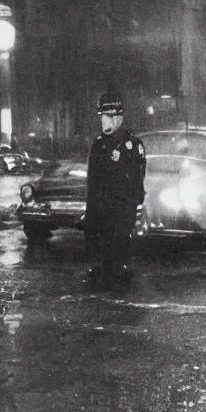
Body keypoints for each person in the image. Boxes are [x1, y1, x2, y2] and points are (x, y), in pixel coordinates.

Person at [84, 90, 146, 282]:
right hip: (101, 203)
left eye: (108, 117)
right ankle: (102, 268)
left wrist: (133, 201)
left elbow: (138, 175)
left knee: (120, 238)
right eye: (103, 117)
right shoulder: (98, 144)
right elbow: (92, 178)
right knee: (99, 237)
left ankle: (121, 268)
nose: (104, 121)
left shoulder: (132, 145)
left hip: (122, 203)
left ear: (118, 119)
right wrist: (91, 207)